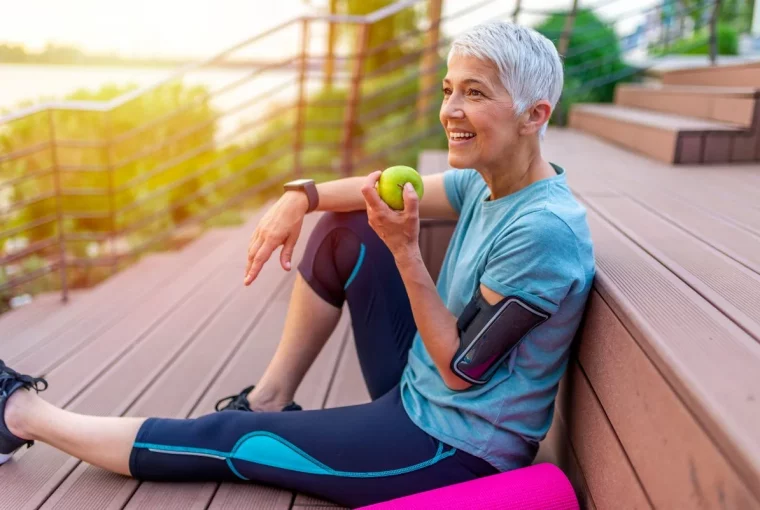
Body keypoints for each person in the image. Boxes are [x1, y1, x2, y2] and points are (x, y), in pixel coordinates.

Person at [0, 21, 595, 508]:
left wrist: (407, 252)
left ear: (534, 115)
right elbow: (368, 191)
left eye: (476, 93)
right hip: (420, 392)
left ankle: (22, 415)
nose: (452, 109)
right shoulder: (489, 182)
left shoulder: (542, 232)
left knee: (233, 440)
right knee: (346, 228)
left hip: (451, 449)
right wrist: (301, 197)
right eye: (448, 89)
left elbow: (462, 371)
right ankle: (271, 395)